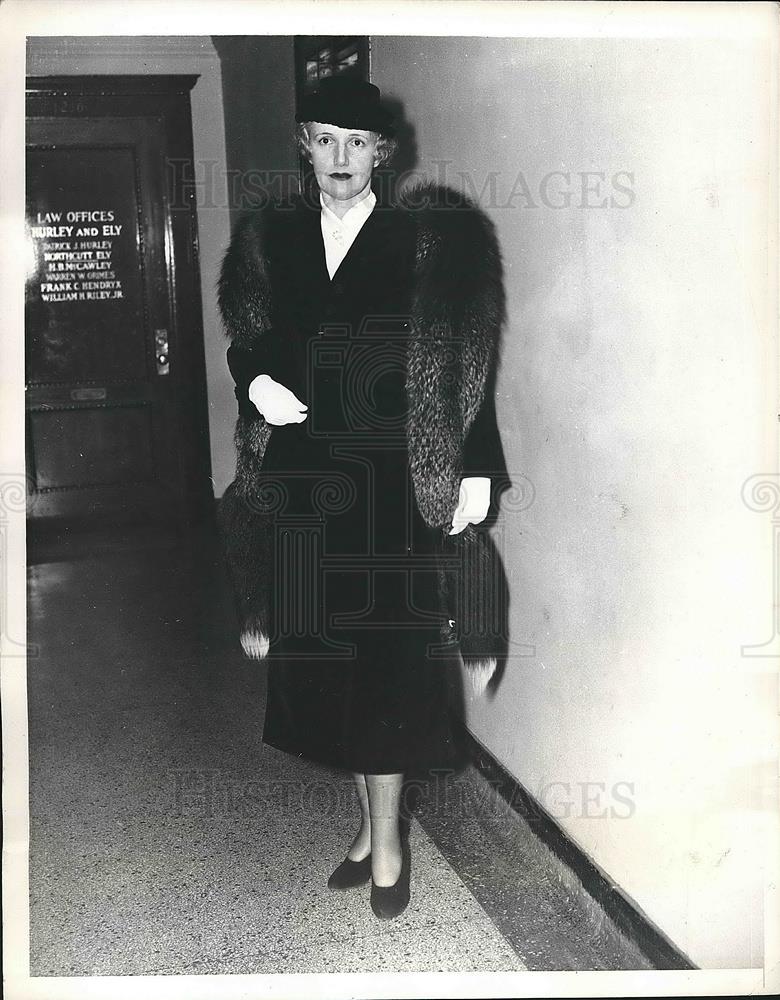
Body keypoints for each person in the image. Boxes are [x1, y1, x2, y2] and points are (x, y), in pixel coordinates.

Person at [218, 75, 506, 920]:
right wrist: (255, 382)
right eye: (323, 139)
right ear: (303, 147)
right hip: (307, 483)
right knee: (333, 669)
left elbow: (467, 370)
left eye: (358, 143)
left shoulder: (429, 242)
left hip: (393, 485)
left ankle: (388, 849)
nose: (340, 158)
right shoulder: (271, 239)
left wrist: (477, 468)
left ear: (383, 153)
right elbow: (251, 339)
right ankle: (364, 827)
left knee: (385, 673)